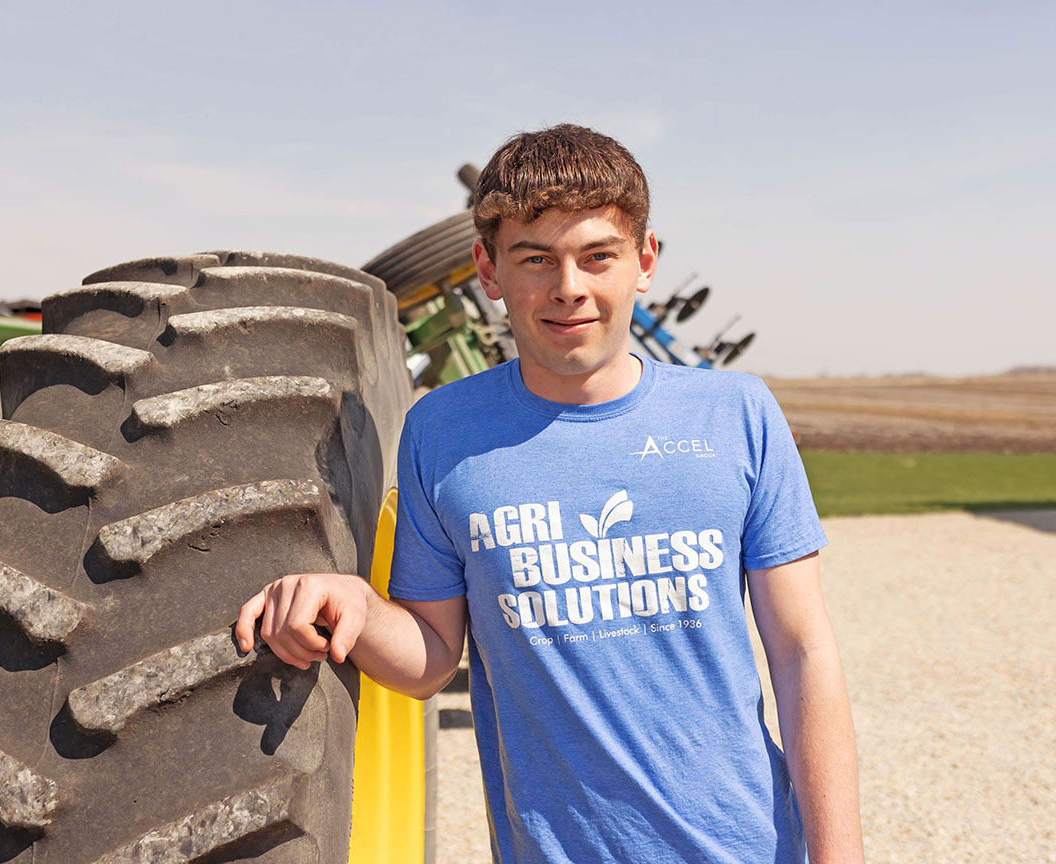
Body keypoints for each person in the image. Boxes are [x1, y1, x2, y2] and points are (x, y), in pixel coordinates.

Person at [236, 124, 864, 864]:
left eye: (598, 256)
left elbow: (801, 654)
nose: (569, 287)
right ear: (489, 270)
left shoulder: (736, 413)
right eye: (536, 259)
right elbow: (434, 658)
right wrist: (357, 603)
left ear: (644, 260)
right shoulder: (442, 431)